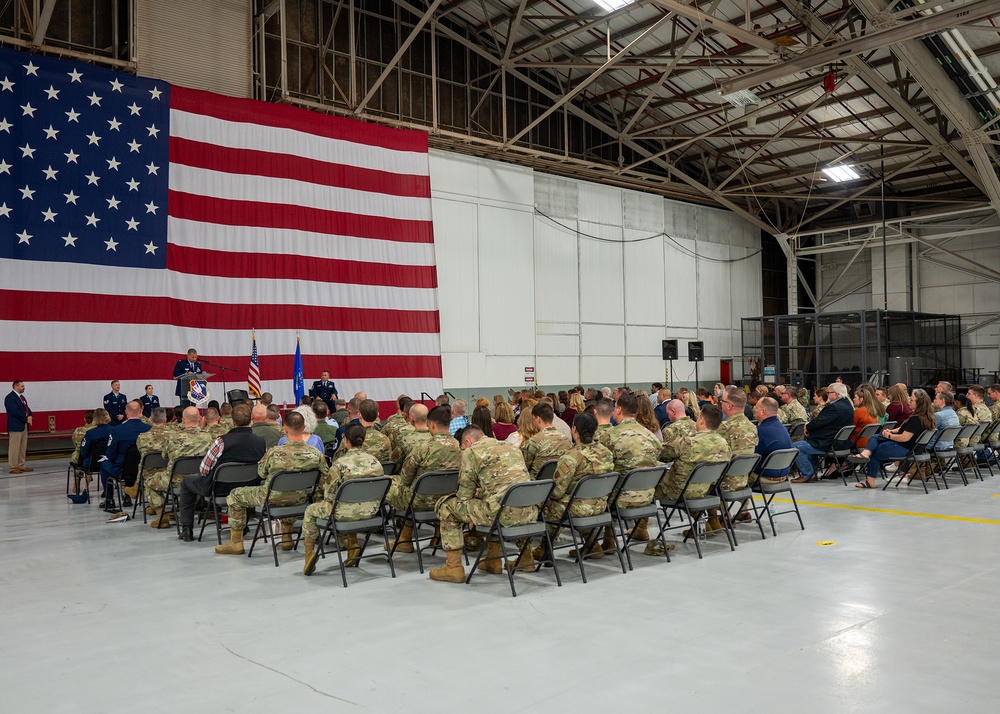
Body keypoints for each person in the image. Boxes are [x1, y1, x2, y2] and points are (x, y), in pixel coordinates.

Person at [429, 426, 536, 583]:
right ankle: (521, 559)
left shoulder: (471, 452)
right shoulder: (511, 447)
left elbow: (464, 496)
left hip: (501, 515)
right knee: (500, 504)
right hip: (530, 512)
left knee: (447, 506)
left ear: (468, 441)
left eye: (463, 447)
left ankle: (453, 568)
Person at [216, 411, 329, 555]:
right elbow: (325, 474)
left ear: (284, 428)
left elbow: (261, 473)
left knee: (235, 495)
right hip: (300, 498)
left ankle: (236, 543)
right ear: (305, 426)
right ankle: (287, 537)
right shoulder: (316, 454)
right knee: (291, 492)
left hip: (270, 498)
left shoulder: (274, 453)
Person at [517, 412, 614, 568]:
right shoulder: (606, 453)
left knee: (541, 505)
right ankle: (592, 544)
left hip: (577, 509)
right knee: (562, 503)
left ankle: (539, 550)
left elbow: (557, 492)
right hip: (601, 505)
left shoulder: (570, 457)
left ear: (574, 429)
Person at [300, 423, 384, 574]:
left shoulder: (339, 464)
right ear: (363, 440)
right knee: (348, 504)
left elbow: (329, 496)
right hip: (371, 511)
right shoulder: (376, 463)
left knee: (310, 511)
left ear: (345, 440)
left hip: (343, 514)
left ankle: (310, 553)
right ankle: (353, 545)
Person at [176, 403, 267, 542]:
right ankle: (242, 526)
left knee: (187, 482)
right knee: (245, 484)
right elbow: (262, 469)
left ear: (233, 421)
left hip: (218, 488)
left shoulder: (221, 442)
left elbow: (204, 470)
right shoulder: (261, 442)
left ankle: (187, 529)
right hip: (248, 488)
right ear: (251, 420)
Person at [385, 405, 461, 554]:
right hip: (448, 500)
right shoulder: (460, 446)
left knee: (391, 483)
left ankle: (405, 539)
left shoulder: (423, 447)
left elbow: (405, 478)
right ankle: (437, 536)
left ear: (431, 424)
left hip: (420, 502)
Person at [653, 405, 731, 537]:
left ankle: (641, 529)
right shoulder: (724, 444)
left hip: (679, 491)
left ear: (701, 420)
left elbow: (662, 452)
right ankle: (711, 521)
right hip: (707, 488)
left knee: (648, 484)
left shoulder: (688, 442)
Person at [851, 390, 936, 489]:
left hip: (905, 448)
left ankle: (870, 480)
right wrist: (891, 431)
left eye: (912, 400)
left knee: (873, 452)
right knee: (875, 437)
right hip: (914, 448)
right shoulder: (926, 418)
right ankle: (865, 453)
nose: (909, 401)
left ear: (919, 404)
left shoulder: (916, 419)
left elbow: (904, 437)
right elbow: (903, 429)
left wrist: (889, 436)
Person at [149, 407, 214, 529]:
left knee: (151, 482)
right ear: (200, 419)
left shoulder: (173, 437)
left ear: (183, 420)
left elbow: (164, 456)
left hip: (174, 481)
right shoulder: (208, 437)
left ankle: (161, 517)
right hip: (198, 479)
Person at [791, 382, 855, 483]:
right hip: (840, 442)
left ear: (836, 394)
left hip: (828, 442)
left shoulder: (834, 407)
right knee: (808, 444)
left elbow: (819, 422)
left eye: (829, 393)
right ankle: (812, 473)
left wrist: (808, 426)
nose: (827, 395)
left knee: (795, 447)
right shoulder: (848, 405)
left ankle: (807, 474)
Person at [98, 400, 151, 508]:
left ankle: (109, 499)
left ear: (126, 412)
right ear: (141, 411)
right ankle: (127, 496)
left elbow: (110, 453)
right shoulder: (149, 429)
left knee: (104, 463)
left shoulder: (117, 430)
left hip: (121, 470)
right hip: (143, 469)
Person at [521, 402, 573, 478]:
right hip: (558, 480)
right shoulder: (566, 440)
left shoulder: (534, 441)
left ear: (538, 419)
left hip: (536, 483)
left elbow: (524, 466)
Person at [134, 408, 171, 512]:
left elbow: (142, 454)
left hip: (148, 473)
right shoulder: (173, 436)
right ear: (165, 419)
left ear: (150, 419)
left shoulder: (142, 437)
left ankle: (155, 507)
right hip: (168, 473)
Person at [752, 397, 793, 484]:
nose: (754, 410)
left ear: (763, 411)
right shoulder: (782, 428)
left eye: (756, 407)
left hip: (765, 476)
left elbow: (752, 456)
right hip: (783, 476)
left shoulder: (761, 431)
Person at [4, 380, 33, 474]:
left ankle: (21, 465)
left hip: (23, 425)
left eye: (23, 386)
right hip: (15, 425)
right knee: (14, 447)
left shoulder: (21, 397)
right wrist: (25, 418)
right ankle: (13, 466)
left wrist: (30, 415)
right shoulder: (10, 398)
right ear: (16, 387)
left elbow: (26, 408)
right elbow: (14, 411)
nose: (23, 388)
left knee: (22, 446)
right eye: (22, 386)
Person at [79, 408, 115, 473]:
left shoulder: (90, 433)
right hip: (110, 461)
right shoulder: (115, 431)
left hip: (92, 463)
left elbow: (84, 452)